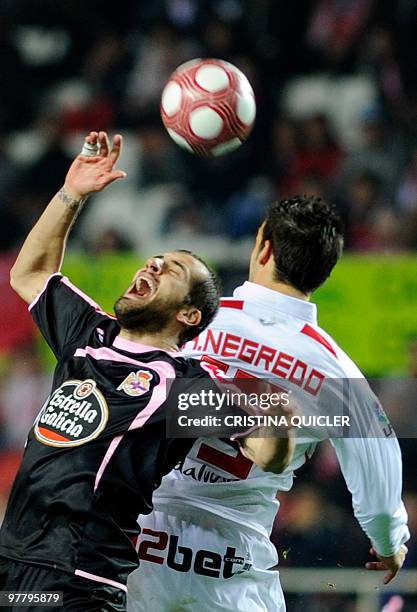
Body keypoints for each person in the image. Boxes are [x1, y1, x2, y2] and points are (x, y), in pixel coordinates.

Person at [0, 131, 293, 612]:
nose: (153, 265)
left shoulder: (183, 384)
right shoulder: (89, 335)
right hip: (13, 565)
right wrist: (71, 194)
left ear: (189, 315)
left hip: (80, 578)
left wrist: (277, 415)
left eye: (171, 271)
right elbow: (28, 274)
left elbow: (270, 453)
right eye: (155, 260)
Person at [128, 195, 409, 611]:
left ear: (262, 246)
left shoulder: (188, 319)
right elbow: (380, 475)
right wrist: (390, 542)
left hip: (140, 542)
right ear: (326, 271)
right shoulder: (338, 373)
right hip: (233, 564)